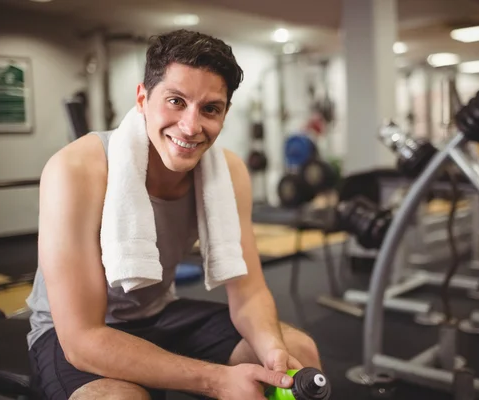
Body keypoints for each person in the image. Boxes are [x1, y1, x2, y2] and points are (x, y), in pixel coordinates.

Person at [26, 29, 322, 400]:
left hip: (159, 314)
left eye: (210, 108)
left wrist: (272, 351)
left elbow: (248, 293)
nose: (191, 126)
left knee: (299, 356)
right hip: (74, 330)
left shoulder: (229, 173)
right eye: (176, 101)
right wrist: (216, 380)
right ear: (142, 98)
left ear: (225, 114)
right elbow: (82, 339)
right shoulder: (76, 168)